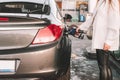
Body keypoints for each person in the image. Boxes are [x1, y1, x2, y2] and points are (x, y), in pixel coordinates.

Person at [76, 0, 120, 80]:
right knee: (105, 65)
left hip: (104, 39)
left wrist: (109, 41)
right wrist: (82, 27)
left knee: (103, 66)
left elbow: (115, 23)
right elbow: (92, 18)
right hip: (100, 39)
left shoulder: (113, 2)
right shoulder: (101, 2)